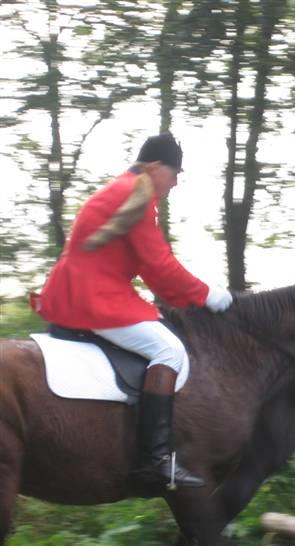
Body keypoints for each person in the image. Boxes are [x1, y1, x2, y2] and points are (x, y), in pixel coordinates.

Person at [30, 133, 233, 489]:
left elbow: (145, 265)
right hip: (94, 297)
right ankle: (155, 461)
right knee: (168, 349)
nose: (175, 182)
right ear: (155, 167)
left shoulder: (122, 188)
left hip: (73, 291)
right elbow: (159, 266)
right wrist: (206, 294)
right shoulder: (137, 196)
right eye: (174, 173)